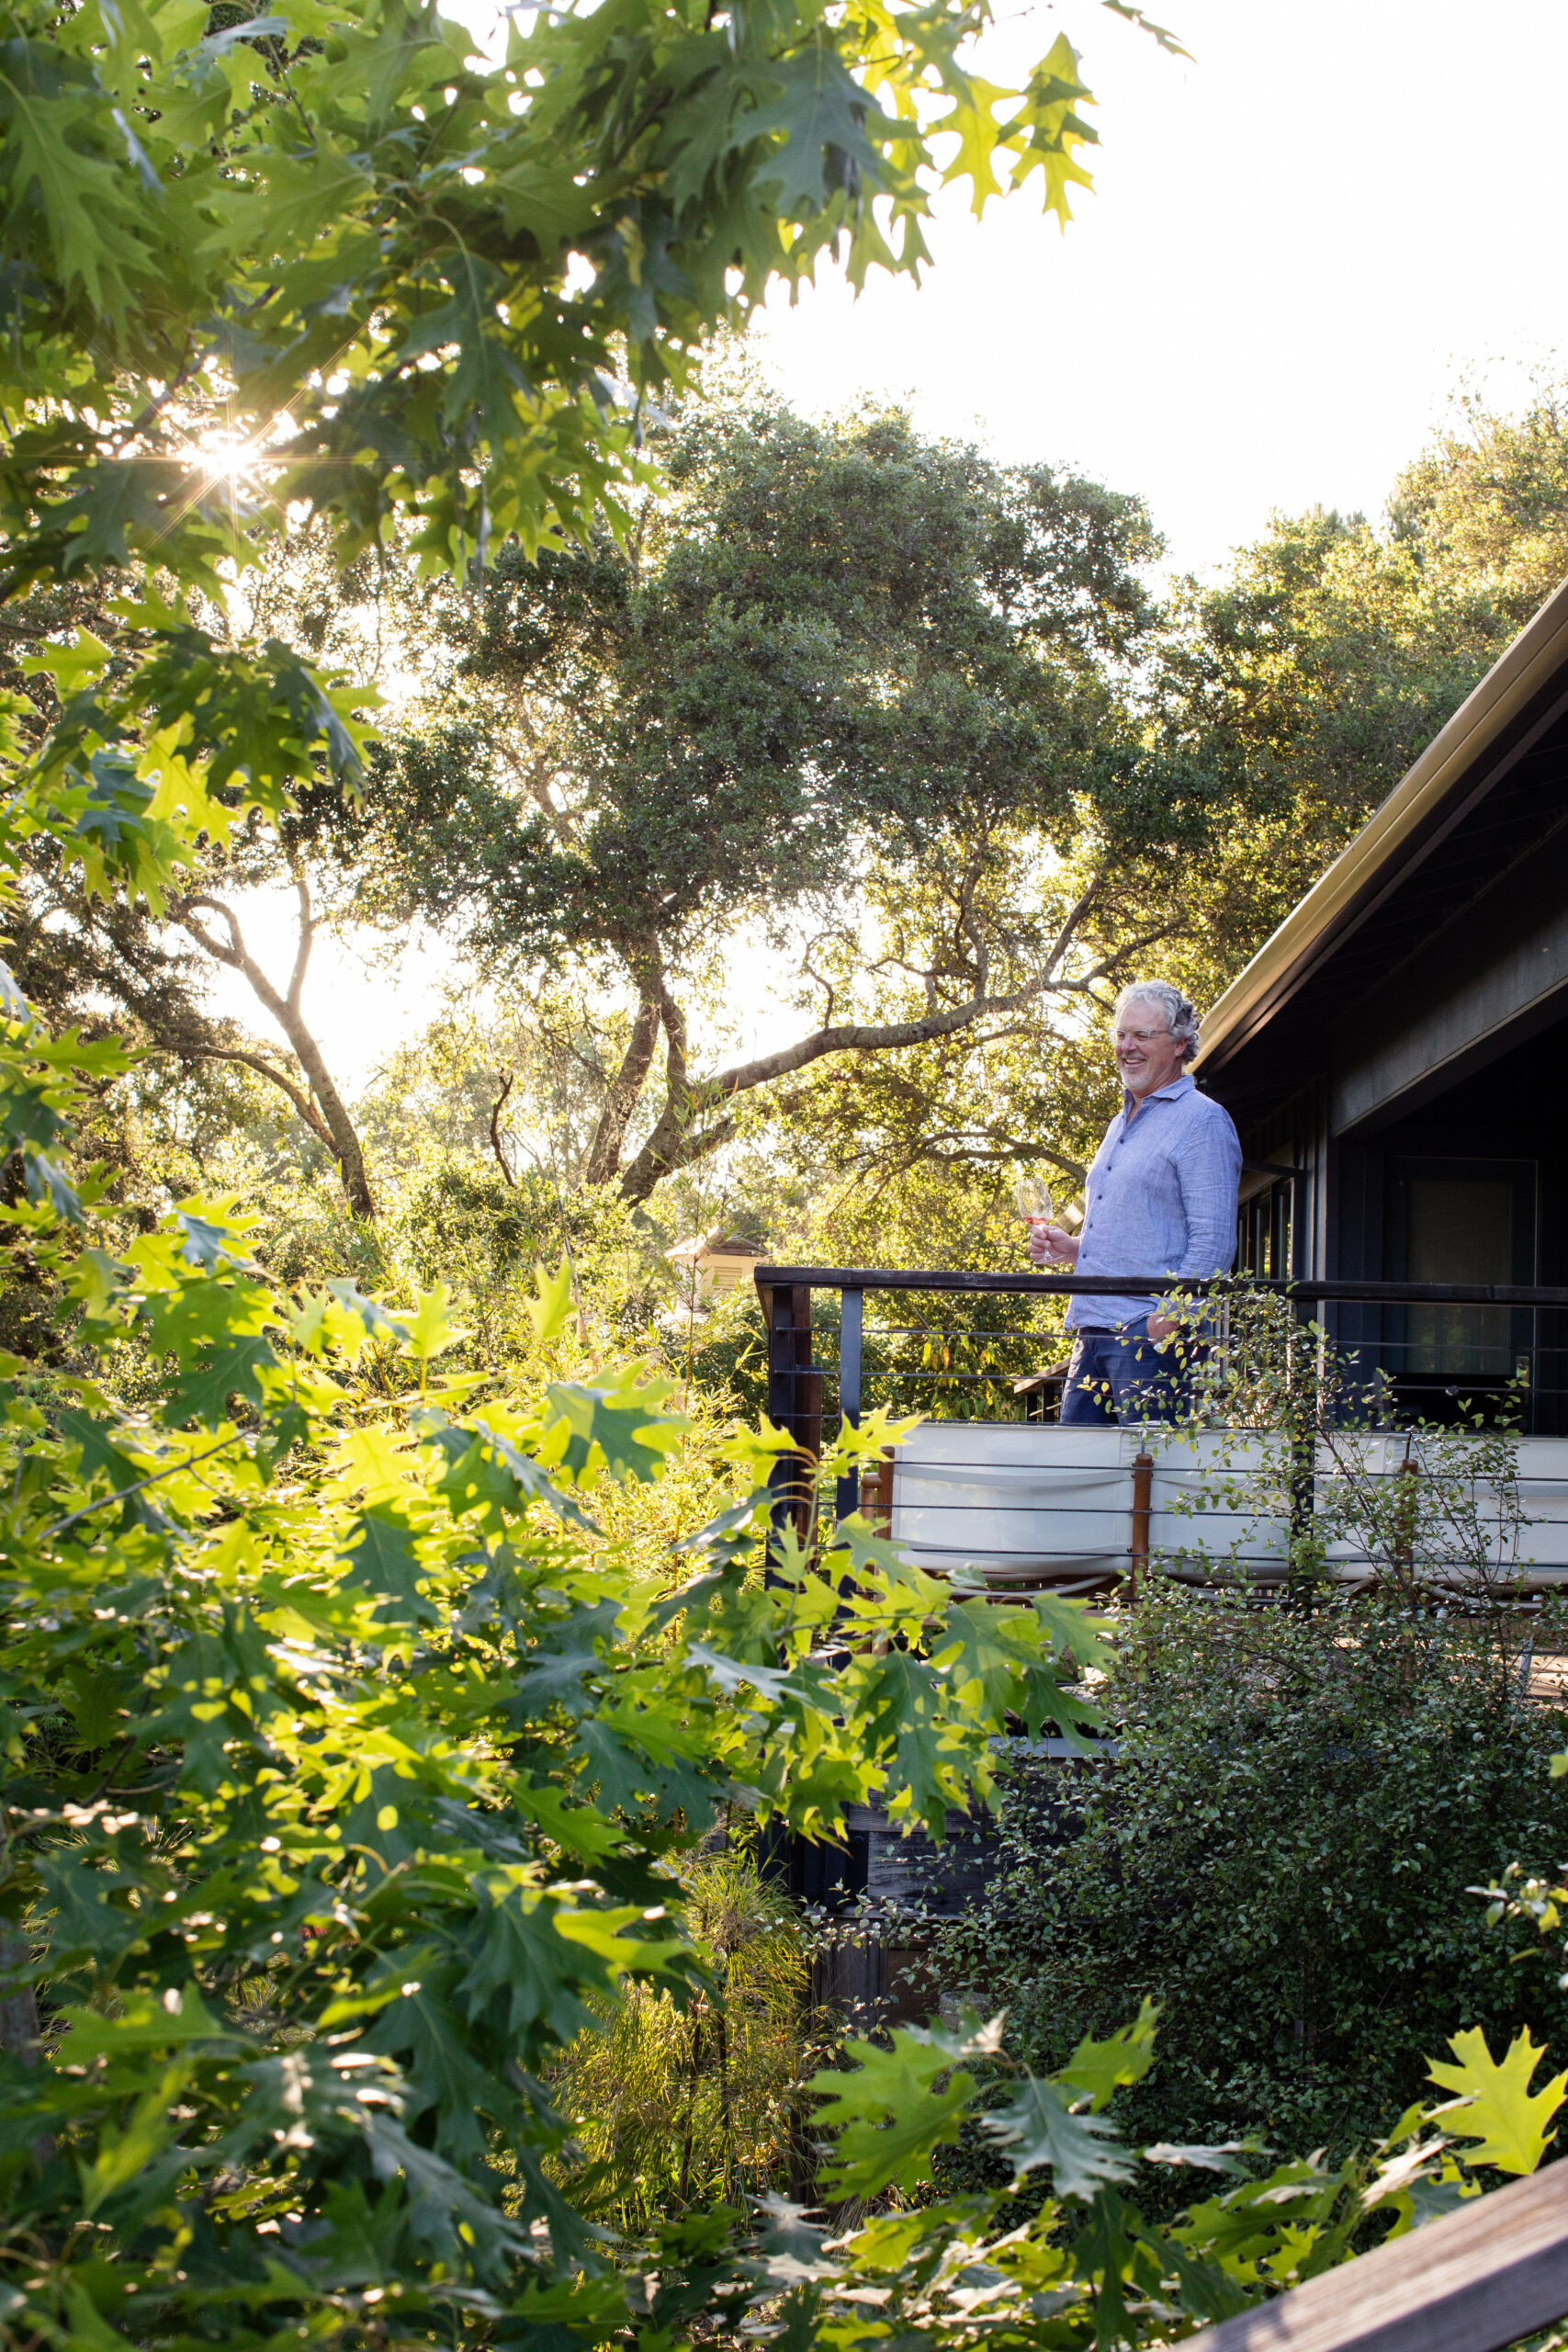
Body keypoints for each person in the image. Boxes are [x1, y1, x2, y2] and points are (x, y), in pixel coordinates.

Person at [1029, 981, 1241, 1424]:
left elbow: (1213, 1246)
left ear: (1181, 1044)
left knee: (1146, 1483)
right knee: (1078, 1479)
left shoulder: (1203, 1121)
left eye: (1143, 1036)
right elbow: (1139, 1225)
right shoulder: (1118, 1122)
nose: (1127, 1047)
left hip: (1150, 1341)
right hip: (1092, 1333)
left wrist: (1160, 1328)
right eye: (1122, 1035)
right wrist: (1074, 1247)